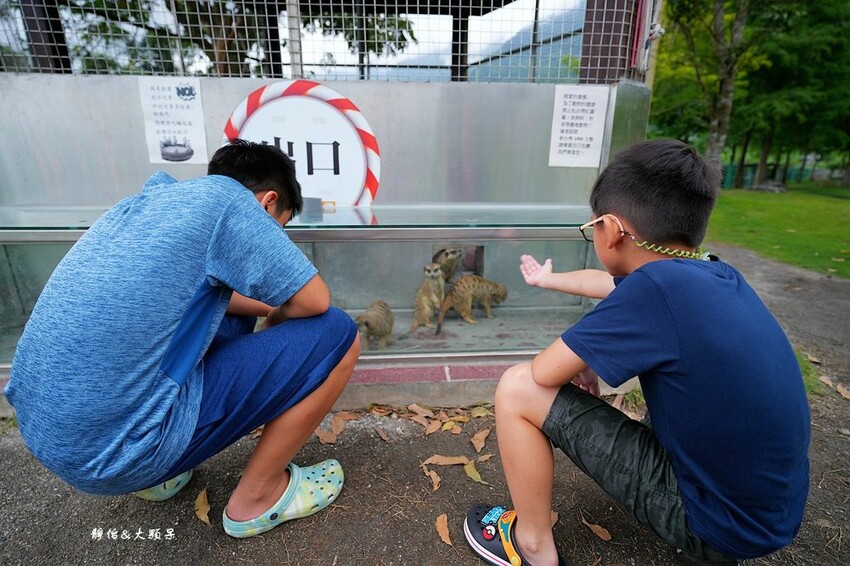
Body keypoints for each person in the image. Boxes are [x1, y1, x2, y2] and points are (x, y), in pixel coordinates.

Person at [463, 139, 810, 566]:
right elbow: (610, 285)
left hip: (719, 523)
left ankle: (532, 544)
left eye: (591, 229)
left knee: (517, 388)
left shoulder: (656, 289)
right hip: (770, 511)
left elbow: (544, 371)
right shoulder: (711, 272)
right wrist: (550, 282)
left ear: (612, 229)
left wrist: (580, 359)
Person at [4, 139, 360, 538]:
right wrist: (279, 323)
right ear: (266, 203)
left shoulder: (153, 201)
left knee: (220, 300)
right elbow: (315, 301)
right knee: (338, 334)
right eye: (279, 227)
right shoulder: (231, 204)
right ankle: (257, 499)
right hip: (117, 454)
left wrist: (267, 314)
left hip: (48, 432)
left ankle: (161, 476)